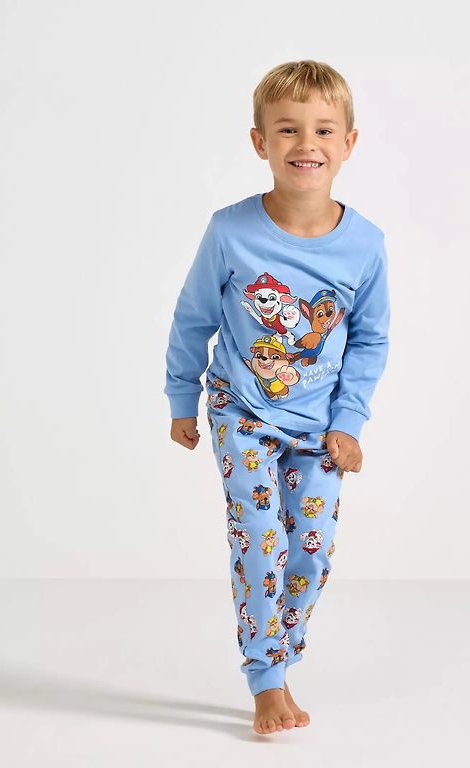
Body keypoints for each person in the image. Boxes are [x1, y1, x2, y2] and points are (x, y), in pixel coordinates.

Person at [164, 59, 391, 735]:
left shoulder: (366, 245)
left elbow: (370, 340)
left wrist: (349, 422)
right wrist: (181, 398)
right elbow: (193, 319)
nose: (306, 143)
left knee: (310, 552)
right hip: (242, 411)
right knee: (262, 540)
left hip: (319, 427)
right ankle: (265, 677)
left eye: (323, 129)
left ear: (349, 143)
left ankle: (283, 657)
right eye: (288, 129)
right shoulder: (229, 232)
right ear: (260, 141)